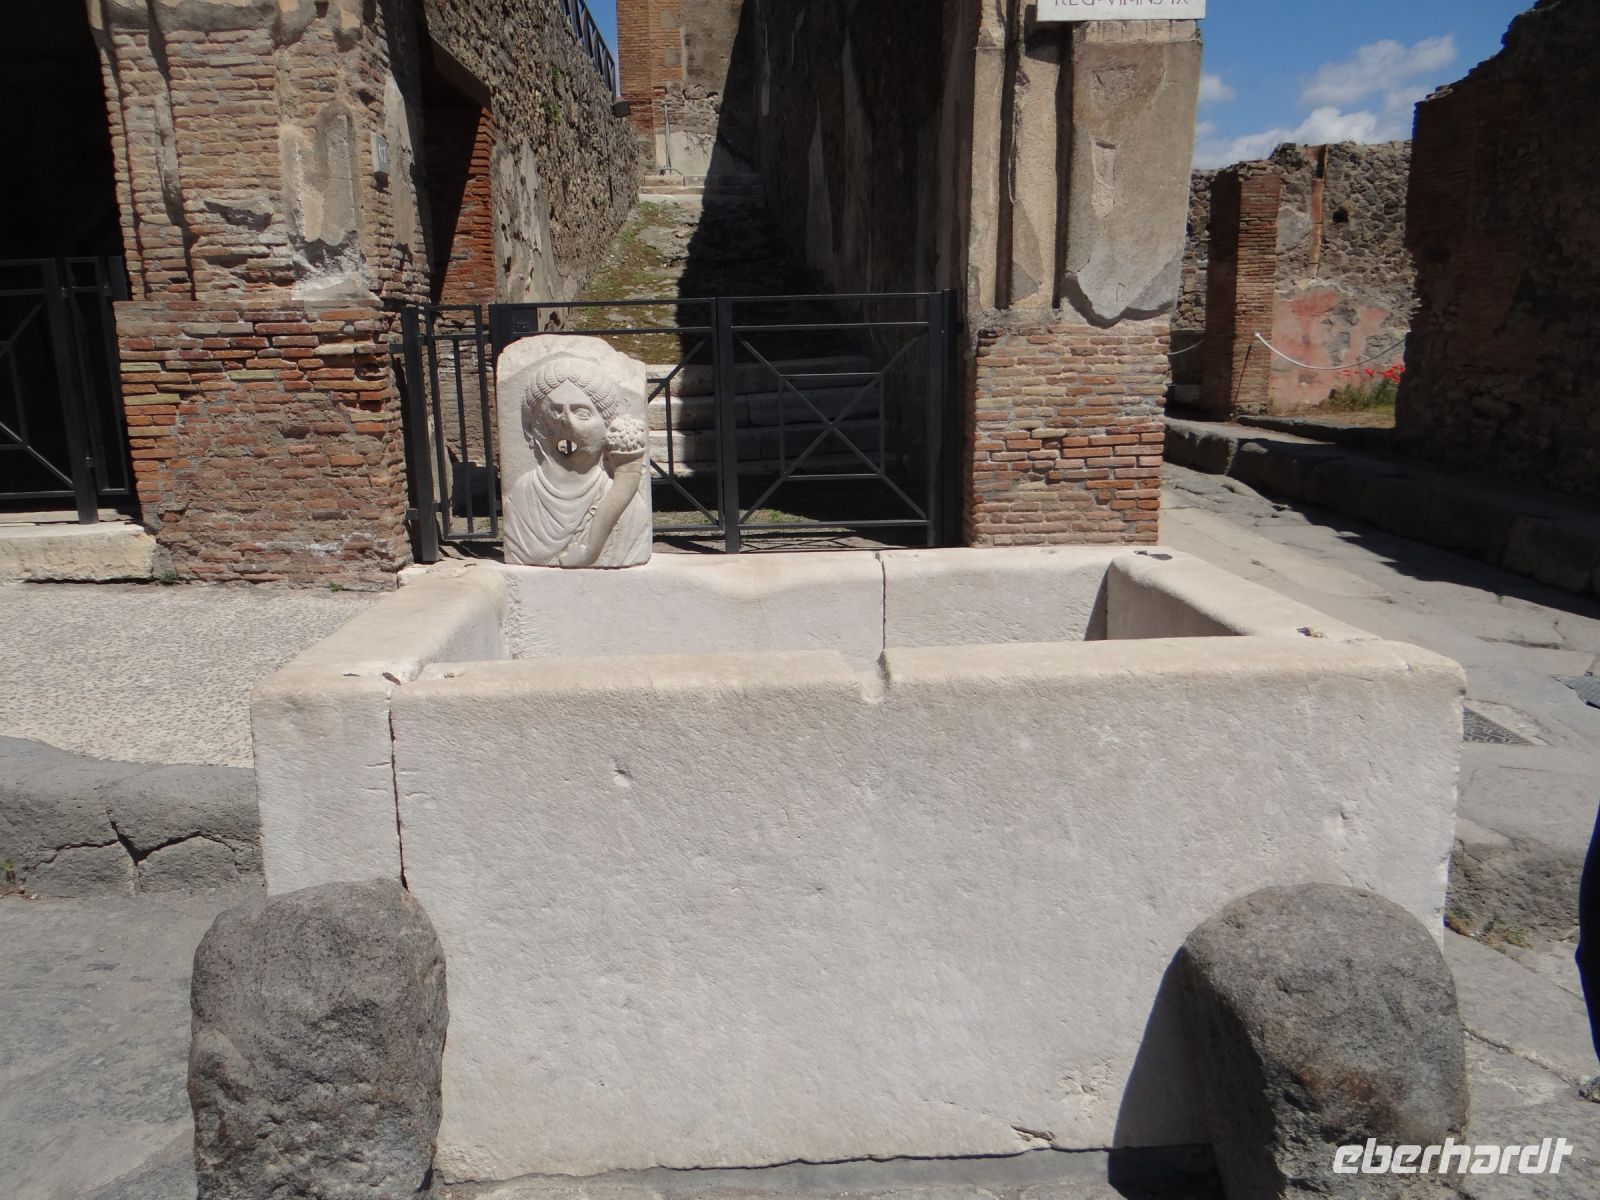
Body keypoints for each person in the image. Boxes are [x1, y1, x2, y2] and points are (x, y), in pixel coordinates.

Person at [502, 354, 650, 568]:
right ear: (536, 424)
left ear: (608, 426)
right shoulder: (522, 496)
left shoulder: (629, 507)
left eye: (582, 413)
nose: (567, 423)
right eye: (555, 410)